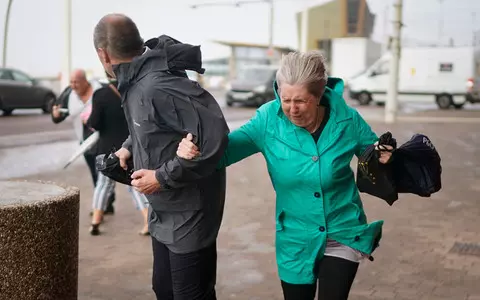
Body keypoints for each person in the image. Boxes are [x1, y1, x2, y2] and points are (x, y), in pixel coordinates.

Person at [176, 51, 394, 300]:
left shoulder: (347, 120)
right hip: (295, 237)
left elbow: (373, 154)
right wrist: (192, 151)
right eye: (285, 99)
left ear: (319, 94)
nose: (292, 109)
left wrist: (384, 158)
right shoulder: (268, 119)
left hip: (342, 229)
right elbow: (222, 154)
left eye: (300, 101)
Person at [93, 14, 230, 299]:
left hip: (190, 215)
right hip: (163, 213)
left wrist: (161, 177)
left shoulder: (157, 84)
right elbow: (153, 125)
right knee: (164, 290)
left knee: (189, 295)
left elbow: (215, 135)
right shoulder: (135, 81)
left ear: (103, 54)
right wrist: (127, 148)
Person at [85, 83, 150, 236]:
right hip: (131, 146)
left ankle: (96, 220)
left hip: (108, 147)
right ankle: (147, 219)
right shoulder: (134, 90)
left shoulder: (101, 94)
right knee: (134, 184)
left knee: (103, 185)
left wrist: (87, 121)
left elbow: (94, 123)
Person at [51, 69, 116, 214]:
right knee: (95, 173)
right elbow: (57, 113)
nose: (73, 86)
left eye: (76, 82)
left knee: (105, 172)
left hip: (103, 138)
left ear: (85, 81)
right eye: (71, 82)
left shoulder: (100, 89)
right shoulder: (69, 93)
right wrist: (55, 114)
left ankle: (103, 204)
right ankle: (106, 203)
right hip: (85, 142)